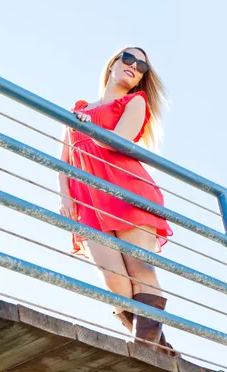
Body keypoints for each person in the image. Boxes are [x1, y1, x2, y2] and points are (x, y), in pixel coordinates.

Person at [58, 47, 175, 356]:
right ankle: (160, 349)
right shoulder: (80, 108)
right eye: (128, 58)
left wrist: (88, 126)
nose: (134, 66)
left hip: (127, 191)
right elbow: (65, 156)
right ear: (112, 63)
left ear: (141, 79)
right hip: (88, 197)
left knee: (139, 269)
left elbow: (118, 141)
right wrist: (66, 195)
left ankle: (147, 350)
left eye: (142, 67)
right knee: (112, 278)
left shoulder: (135, 101)